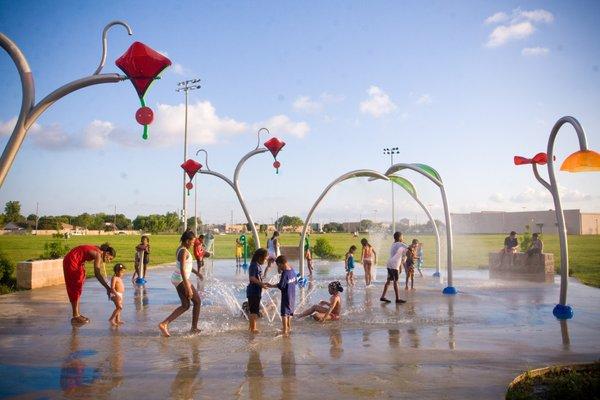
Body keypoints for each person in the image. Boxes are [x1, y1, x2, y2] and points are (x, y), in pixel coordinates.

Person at [158, 231, 202, 337]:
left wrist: (197, 273)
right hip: (181, 279)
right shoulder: (183, 252)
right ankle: (194, 328)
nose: (193, 244)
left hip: (178, 278)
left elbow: (187, 266)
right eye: (192, 242)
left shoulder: (182, 249)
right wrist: (188, 287)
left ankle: (164, 324)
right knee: (197, 302)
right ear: (187, 241)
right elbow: (182, 269)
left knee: (186, 305)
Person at [62, 243, 117, 325]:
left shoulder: (97, 249)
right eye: (110, 258)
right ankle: (75, 316)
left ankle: (77, 314)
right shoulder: (98, 254)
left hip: (73, 260)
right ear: (107, 253)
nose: (108, 261)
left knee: (79, 283)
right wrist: (107, 288)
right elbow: (97, 274)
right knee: (75, 287)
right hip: (72, 261)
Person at [265, 255, 297, 335]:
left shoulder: (285, 273)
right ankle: (288, 327)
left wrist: (270, 285)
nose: (279, 268)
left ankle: (285, 330)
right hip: (292, 295)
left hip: (286, 296)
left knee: (284, 313)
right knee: (289, 312)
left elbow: (281, 286)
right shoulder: (292, 270)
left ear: (281, 264)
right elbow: (295, 282)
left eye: (278, 266)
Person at [380, 232, 407, 304]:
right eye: (402, 237)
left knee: (389, 280)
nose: (403, 238)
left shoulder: (394, 244)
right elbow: (408, 247)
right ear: (400, 237)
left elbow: (402, 255)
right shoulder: (399, 244)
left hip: (390, 264)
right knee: (396, 281)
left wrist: (401, 265)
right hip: (394, 265)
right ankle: (397, 299)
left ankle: (383, 296)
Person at [247, 248, 269, 333]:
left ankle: (251, 327)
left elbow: (257, 278)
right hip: (253, 291)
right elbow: (252, 278)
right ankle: (253, 329)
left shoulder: (257, 265)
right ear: (260, 257)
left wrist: (262, 283)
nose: (266, 260)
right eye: (265, 258)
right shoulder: (254, 265)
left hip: (256, 291)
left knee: (254, 310)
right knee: (254, 311)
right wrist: (261, 284)